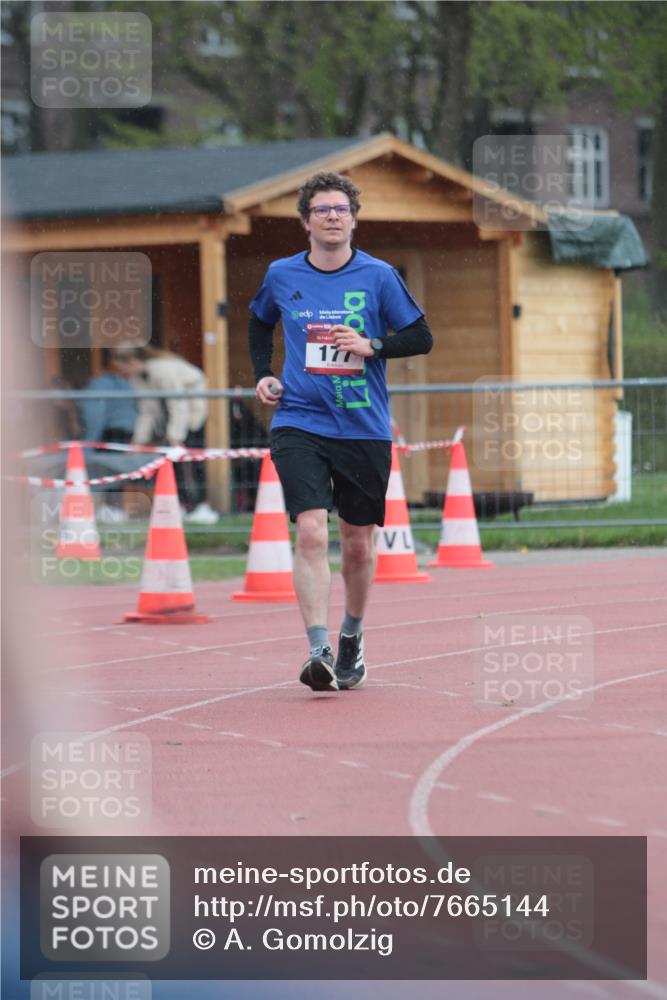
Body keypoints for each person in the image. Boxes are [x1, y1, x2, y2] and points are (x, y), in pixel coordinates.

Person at [249, 171, 433, 693]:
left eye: (341, 210)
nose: (333, 217)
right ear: (306, 222)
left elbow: (421, 336)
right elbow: (259, 320)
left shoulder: (378, 275)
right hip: (299, 420)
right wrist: (263, 372)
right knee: (310, 530)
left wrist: (372, 345)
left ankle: (351, 634)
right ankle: (318, 648)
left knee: (357, 544)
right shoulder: (282, 274)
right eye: (322, 210)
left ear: (353, 220)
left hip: (362, 425)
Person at [109, 345, 219, 525]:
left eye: (124, 368)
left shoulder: (163, 370)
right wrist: (138, 442)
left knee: (193, 463)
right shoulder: (137, 378)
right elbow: (147, 411)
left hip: (192, 415)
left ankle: (201, 505)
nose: (123, 373)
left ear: (132, 361)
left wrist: (176, 436)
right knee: (173, 464)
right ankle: (182, 505)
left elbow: (178, 404)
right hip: (170, 417)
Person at [78, 360, 138, 523]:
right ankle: (115, 509)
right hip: (128, 430)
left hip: (110, 432)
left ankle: (111, 509)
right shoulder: (123, 384)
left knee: (107, 471)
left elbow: (95, 417)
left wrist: (89, 443)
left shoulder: (96, 386)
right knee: (118, 471)